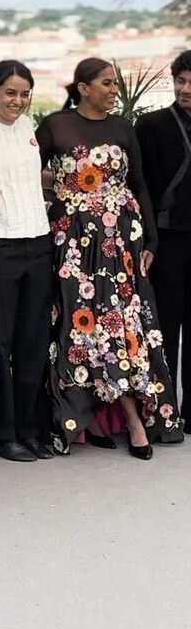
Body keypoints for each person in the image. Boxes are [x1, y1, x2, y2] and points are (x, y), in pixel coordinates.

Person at [36, 57, 183, 458]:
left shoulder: (122, 128)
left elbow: (139, 184)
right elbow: (25, 174)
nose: (113, 89)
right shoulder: (55, 125)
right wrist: (65, 193)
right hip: (73, 244)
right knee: (79, 323)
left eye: (114, 84)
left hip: (122, 242)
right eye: (105, 83)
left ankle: (135, 419)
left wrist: (150, 239)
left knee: (124, 324)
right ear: (83, 88)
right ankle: (91, 416)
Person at [0, 60, 54, 462]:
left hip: (39, 242)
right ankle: (3, 435)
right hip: (3, 246)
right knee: (1, 343)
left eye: (24, 93)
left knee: (34, 341)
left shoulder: (28, 129)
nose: (18, 101)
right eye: (10, 92)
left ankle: (31, 429)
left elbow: (37, 177)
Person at [136, 50, 191, 428]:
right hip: (167, 240)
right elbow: (141, 187)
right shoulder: (151, 125)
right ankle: (164, 412)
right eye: (181, 81)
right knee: (165, 326)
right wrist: (147, 241)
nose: (186, 89)